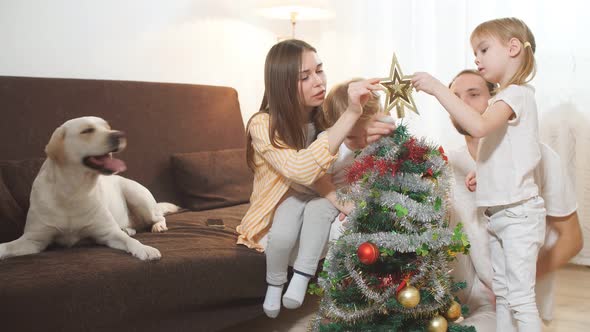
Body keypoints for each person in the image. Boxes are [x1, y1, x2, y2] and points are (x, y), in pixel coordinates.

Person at [235, 39, 395, 318]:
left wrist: (366, 128)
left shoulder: (322, 116)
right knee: (305, 226)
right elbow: (303, 171)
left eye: (319, 70)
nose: (318, 81)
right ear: (283, 84)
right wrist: (339, 199)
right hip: (276, 214)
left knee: (359, 219)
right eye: (305, 77)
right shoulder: (263, 124)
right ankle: (287, 287)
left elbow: (356, 139)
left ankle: (365, 308)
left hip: (318, 203)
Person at [413, 17, 546, 331]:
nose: (477, 57)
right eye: (476, 51)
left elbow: (478, 126)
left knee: (521, 297)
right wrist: (484, 175)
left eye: (484, 49)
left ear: (513, 48)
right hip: (501, 213)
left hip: (519, 215)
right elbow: (504, 152)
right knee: (503, 292)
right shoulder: (506, 98)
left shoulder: (515, 94)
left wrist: (436, 88)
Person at [446, 69, 583, 331]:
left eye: (473, 95)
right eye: (454, 98)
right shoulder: (449, 164)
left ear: (497, 101)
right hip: (475, 302)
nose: (462, 103)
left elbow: (572, 239)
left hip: (522, 298)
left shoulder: (540, 157)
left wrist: (515, 283)